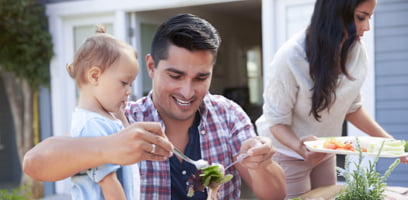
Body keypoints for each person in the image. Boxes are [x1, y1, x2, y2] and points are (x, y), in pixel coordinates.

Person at [23, 13, 286, 200]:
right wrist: (107, 148)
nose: (187, 91)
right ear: (151, 66)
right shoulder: (123, 119)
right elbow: (35, 164)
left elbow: (274, 195)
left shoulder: (228, 115)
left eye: (201, 78)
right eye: (175, 76)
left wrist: (260, 164)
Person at [255, 0, 408, 199]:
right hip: (287, 153)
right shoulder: (292, 56)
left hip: (324, 150)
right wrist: (301, 148)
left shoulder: (356, 53)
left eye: (369, 18)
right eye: (361, 17)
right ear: (335, 13)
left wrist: (392, 145)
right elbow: (276, 122)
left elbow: (352, 108)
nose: (367, 27)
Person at [66, 26, 139, 200]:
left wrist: (120, 115)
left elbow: (128, 142)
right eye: (124, 83)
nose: (129, 91)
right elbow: (109, 183)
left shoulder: (106, 118)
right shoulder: (91, 126)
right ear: (95, 77)